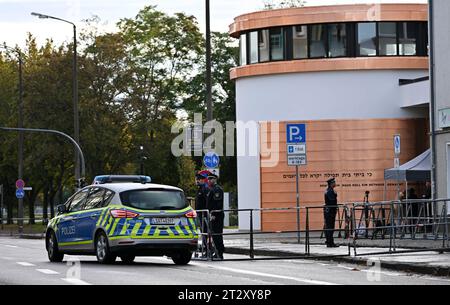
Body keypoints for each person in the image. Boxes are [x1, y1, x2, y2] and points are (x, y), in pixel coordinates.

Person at [206, 172, 225, 260]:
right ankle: (217, 252)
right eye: (208, 179)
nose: (209, 181)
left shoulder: (217, 189)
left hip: (217, 216)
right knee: (214, 235)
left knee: (217, 234)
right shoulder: (212, 189)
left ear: (215, 180)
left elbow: (217, 204)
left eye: (211, 179)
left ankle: (220, 253)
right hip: (212, 215)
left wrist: (213, 214)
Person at [195, 170, 211, 256]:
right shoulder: (200, 189)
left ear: (202, 180)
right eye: (197, 179)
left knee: (206, 232)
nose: (197, 181)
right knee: (203, 233)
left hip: (204, 215)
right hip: (200, 214)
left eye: (199, 179)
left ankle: (208, 249)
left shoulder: (205, 189)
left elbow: (207, 202)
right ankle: (206, 249)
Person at [324, 178, 339, 248]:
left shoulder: (330, 190)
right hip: (330, 211)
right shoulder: (330, 191)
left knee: (329, 227)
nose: (335, 183)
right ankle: (330, 243)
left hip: (329, 211)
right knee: (330, 227)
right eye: (334, 182)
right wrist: (335, 195)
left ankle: (329, 241)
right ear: (331, 184)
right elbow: (332, 201)